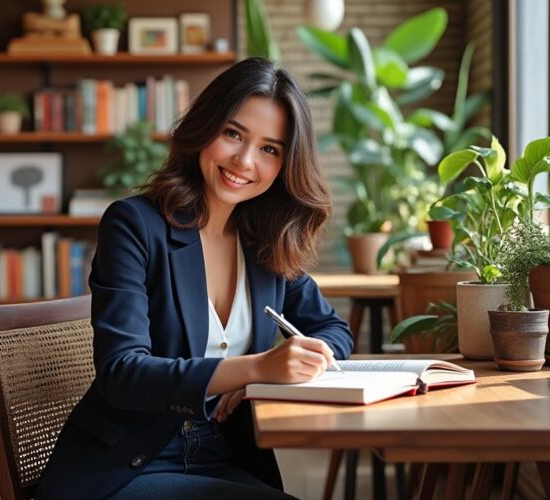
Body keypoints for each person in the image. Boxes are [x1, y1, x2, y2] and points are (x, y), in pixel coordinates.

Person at [37, 57, 353, 500]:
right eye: (233, 134)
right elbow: (122, 372)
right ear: (205, 127)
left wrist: (258, 381)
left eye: (270, 149)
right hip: (126, 468)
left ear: (286, 164)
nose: (244, 160)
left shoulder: (265, 241)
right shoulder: (134, 225)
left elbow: (332, 330)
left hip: (226, 455)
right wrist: (254, 368)